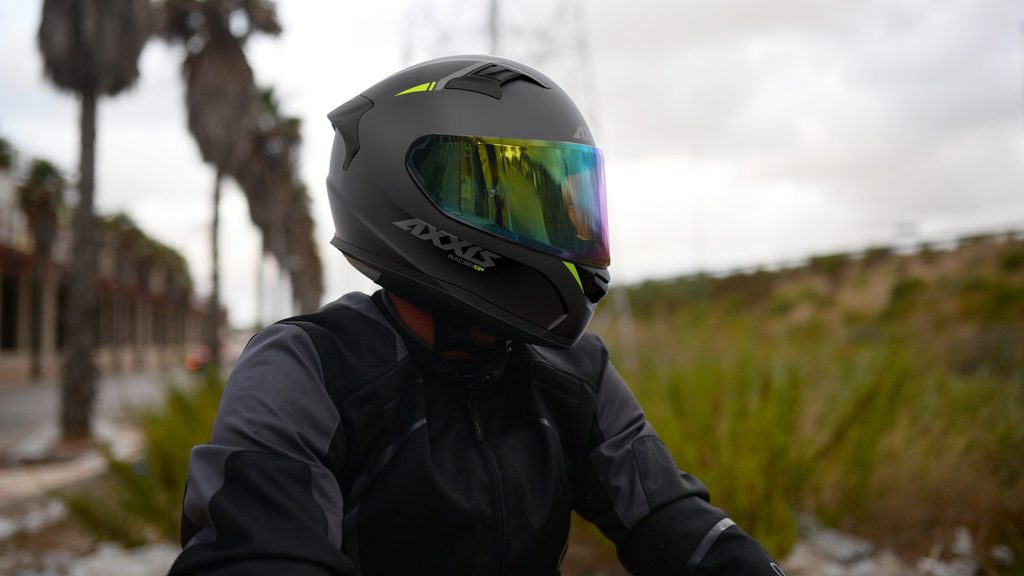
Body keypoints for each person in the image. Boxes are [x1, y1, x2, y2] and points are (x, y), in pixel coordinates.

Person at [169, 55, 785, 576]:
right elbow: (257, 552)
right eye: (520, 199)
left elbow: (670, 518)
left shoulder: (575, 371)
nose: (560, 230)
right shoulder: (310, 370)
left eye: (565, 203)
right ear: (418, 196)